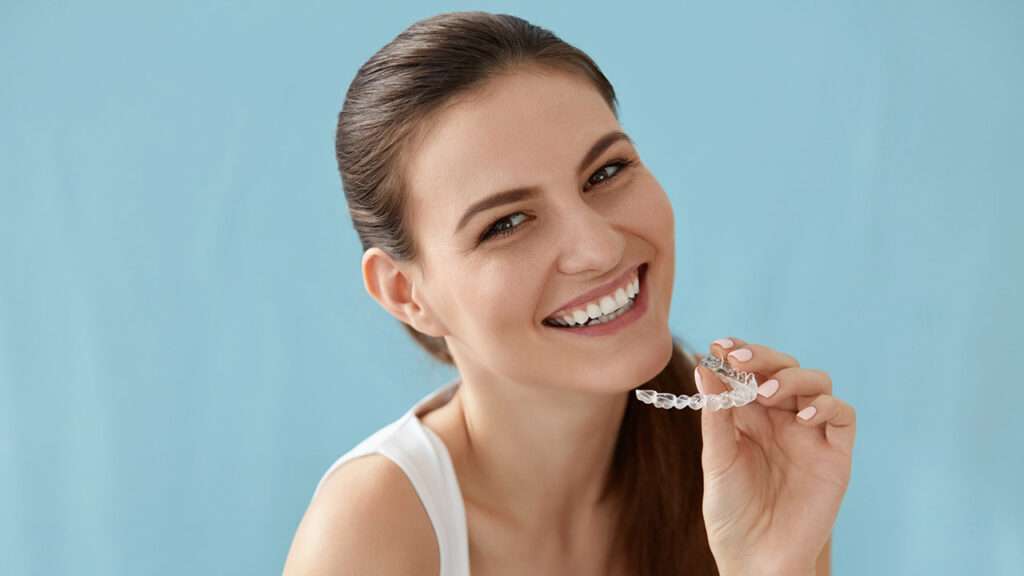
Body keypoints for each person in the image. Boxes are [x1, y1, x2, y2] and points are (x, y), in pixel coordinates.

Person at [282, 11, 855, 576]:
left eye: (605, 173)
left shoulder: (742, 473)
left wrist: (772, 567)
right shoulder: (369, 533)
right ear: (406, 292)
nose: (600, 249)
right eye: (505, 223)